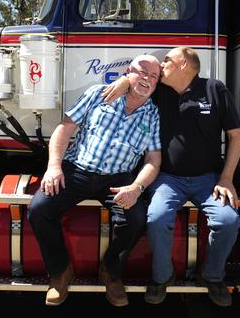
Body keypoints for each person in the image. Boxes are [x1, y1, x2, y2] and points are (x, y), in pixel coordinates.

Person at [103, 46, 240, 307]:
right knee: (156, 218)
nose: (161, 63)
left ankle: (213, 276)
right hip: (167, 178)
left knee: (227, 220)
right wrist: (124, 80)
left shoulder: (215, 89)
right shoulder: (161, 92)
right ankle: (161, 278)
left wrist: (226, 179)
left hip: (208, 180)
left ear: (183, 65)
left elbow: (237, 136)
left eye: (167, 60)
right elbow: (138, 82)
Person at [27, 54, 163, 307]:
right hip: (77, 169)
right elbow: (65, 128)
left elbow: (153, 160)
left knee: (135, 219)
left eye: (153, 76)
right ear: (127, 72)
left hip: (118, 177)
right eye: (142, 71)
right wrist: (54, 166)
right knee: (39, 210)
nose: (147, 79)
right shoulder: (98, 93)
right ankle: (60, 273)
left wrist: (136, 187)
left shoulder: (152, 114)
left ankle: (111, 272)